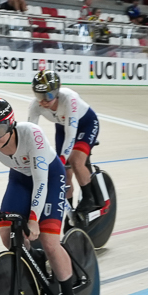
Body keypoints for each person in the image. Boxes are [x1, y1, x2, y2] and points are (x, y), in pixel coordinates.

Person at [0, 97, 82, 295]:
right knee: (7, 237)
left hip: (50, 176)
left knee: (49, 242)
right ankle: (35, 259)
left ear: (10, 124)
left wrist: (34, 219)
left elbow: (41, 182)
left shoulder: (32, 134)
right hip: (19, 179)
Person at [32, 71, 101, 215]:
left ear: (57, 93)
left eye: (48, 96)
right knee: (64, 174)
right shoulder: (35, 106)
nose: (43, 101)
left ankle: (89, 198)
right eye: (39, 96)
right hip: (63, 127)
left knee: (75, 161)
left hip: (85, 124)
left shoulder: (69, 99)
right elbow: (30, 134)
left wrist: (62, 159)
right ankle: (70, 215)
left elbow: (71, 135)